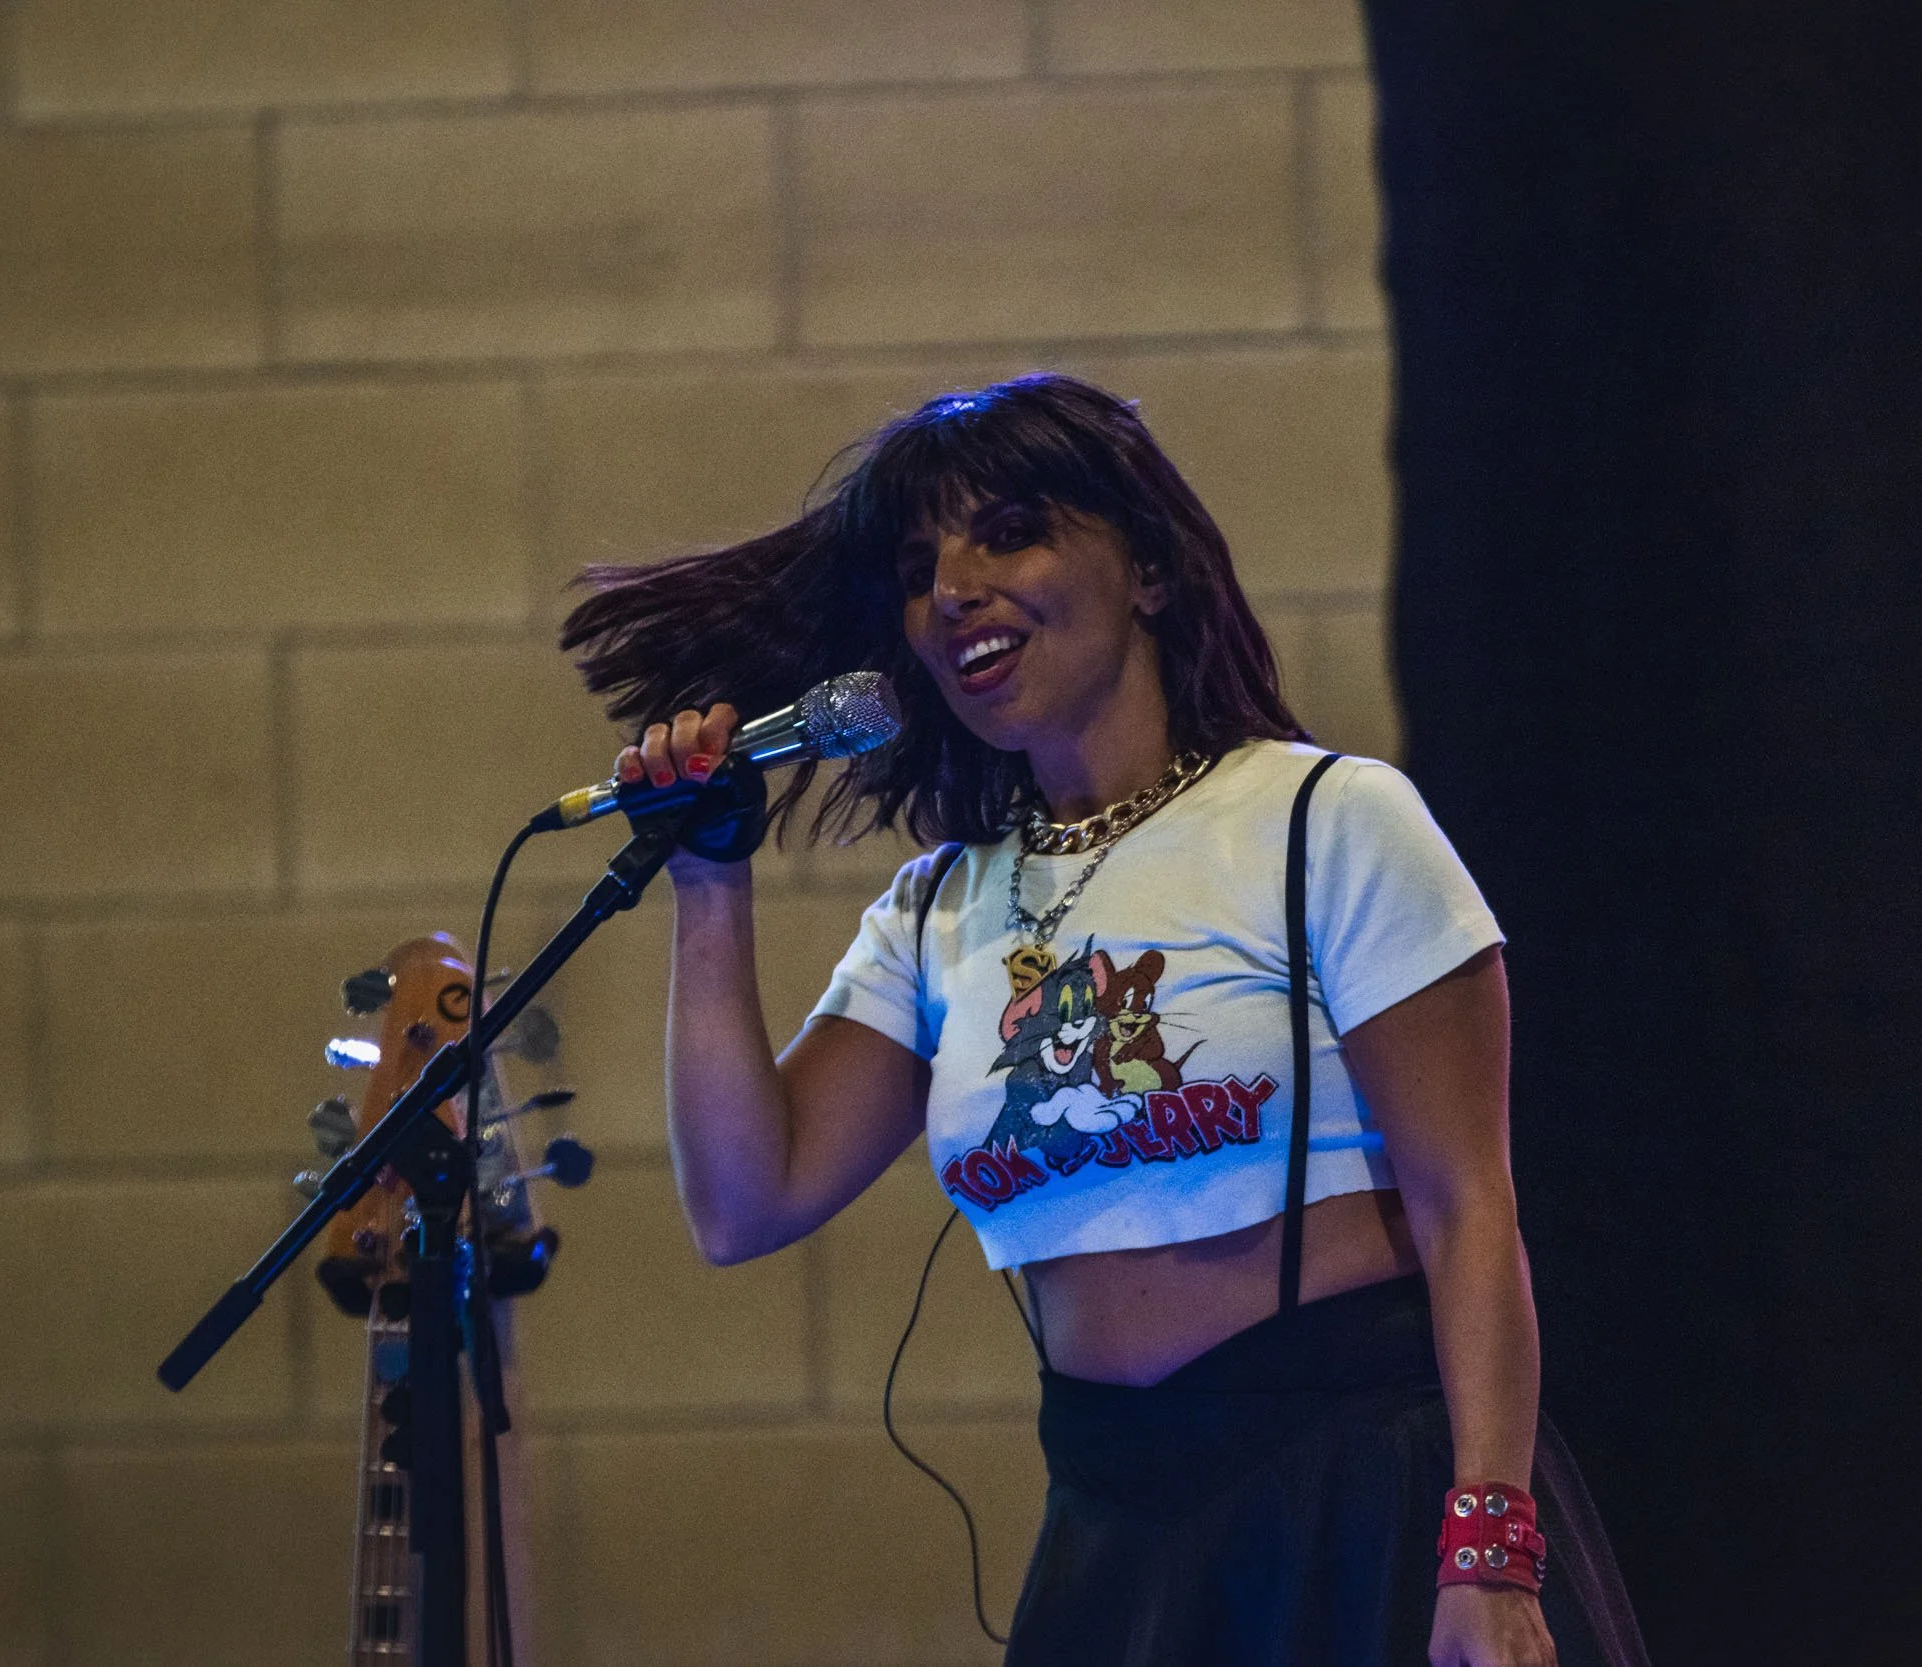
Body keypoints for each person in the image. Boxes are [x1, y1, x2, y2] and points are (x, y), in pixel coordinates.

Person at [560, 373, 1646, 1667]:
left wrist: (1486, 1548)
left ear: (1146, 568)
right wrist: (707, 881)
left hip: (1362, 1486)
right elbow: (745, 1202)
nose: (954, 586)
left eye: (1008, 531)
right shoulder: (942, 907)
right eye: (920, 566)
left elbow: (1471, 1204)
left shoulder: (1324, 820)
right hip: (1113, 1521)